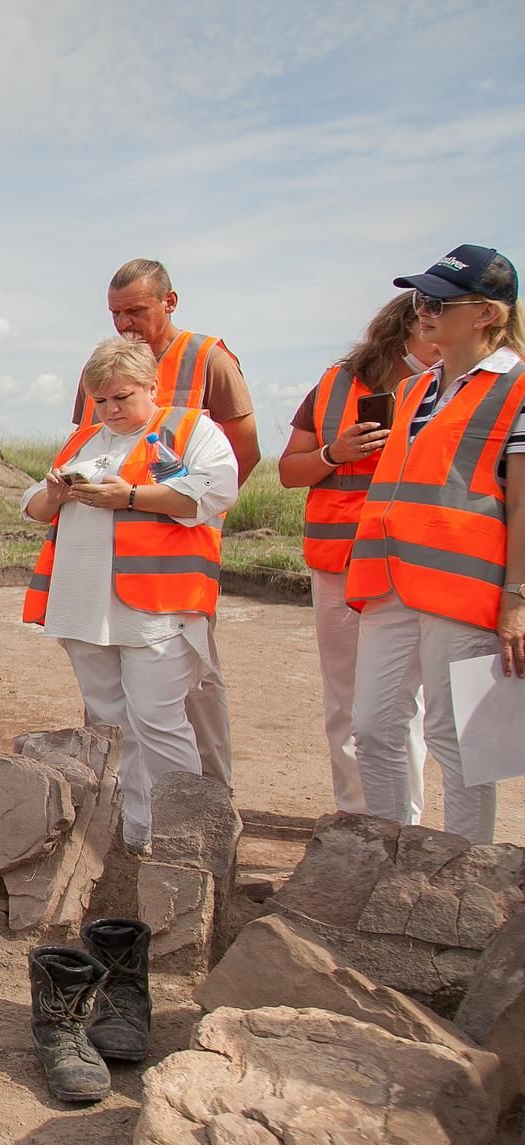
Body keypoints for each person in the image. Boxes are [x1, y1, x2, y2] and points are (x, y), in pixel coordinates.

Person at [21, 337, 238, 850]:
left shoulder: (189, 429)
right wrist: (54, 492)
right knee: (110, 724)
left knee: (159, 720)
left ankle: (179, 840)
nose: (110, 409)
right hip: (83, 603)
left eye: (122, 397)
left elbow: (211, 492)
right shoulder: (84, 441)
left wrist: (131, 497)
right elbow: (34, 505)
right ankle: (132, 834)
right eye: (100, 400)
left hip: (157, 607)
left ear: (151, 387)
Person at [348, 244, 525, 845]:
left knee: (464, 741)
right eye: (423, 299)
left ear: (488, 315)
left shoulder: (518, 387)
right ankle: (393, 859)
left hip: (464, 589)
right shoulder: (416, 391)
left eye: (443, 301)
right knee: (372, 727)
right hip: (389, 582)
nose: (425, 310)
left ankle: (464, 881)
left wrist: (517, 597)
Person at [81, 259, 258, 788]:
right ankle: (125, 809)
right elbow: (90, 445)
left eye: (136, 310)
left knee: (190, 688)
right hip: (111, 558)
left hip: (178, 553)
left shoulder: (208, 358)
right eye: (116, 313)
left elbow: (240, 453)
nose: (125, 324)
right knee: (116, 697)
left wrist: (178, 509)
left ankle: (207, 804)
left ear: (169, 302)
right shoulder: (104, 366)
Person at [277, 296, 436, 816]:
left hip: (421, 566)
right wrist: (334, 453)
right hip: (342, 563)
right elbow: (289, 470)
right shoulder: (335, 383)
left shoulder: (464, 385)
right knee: (347, 701)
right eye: (430, 323)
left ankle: (403, 828)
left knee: (408, 708)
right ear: (405, 327)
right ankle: (356, 819)